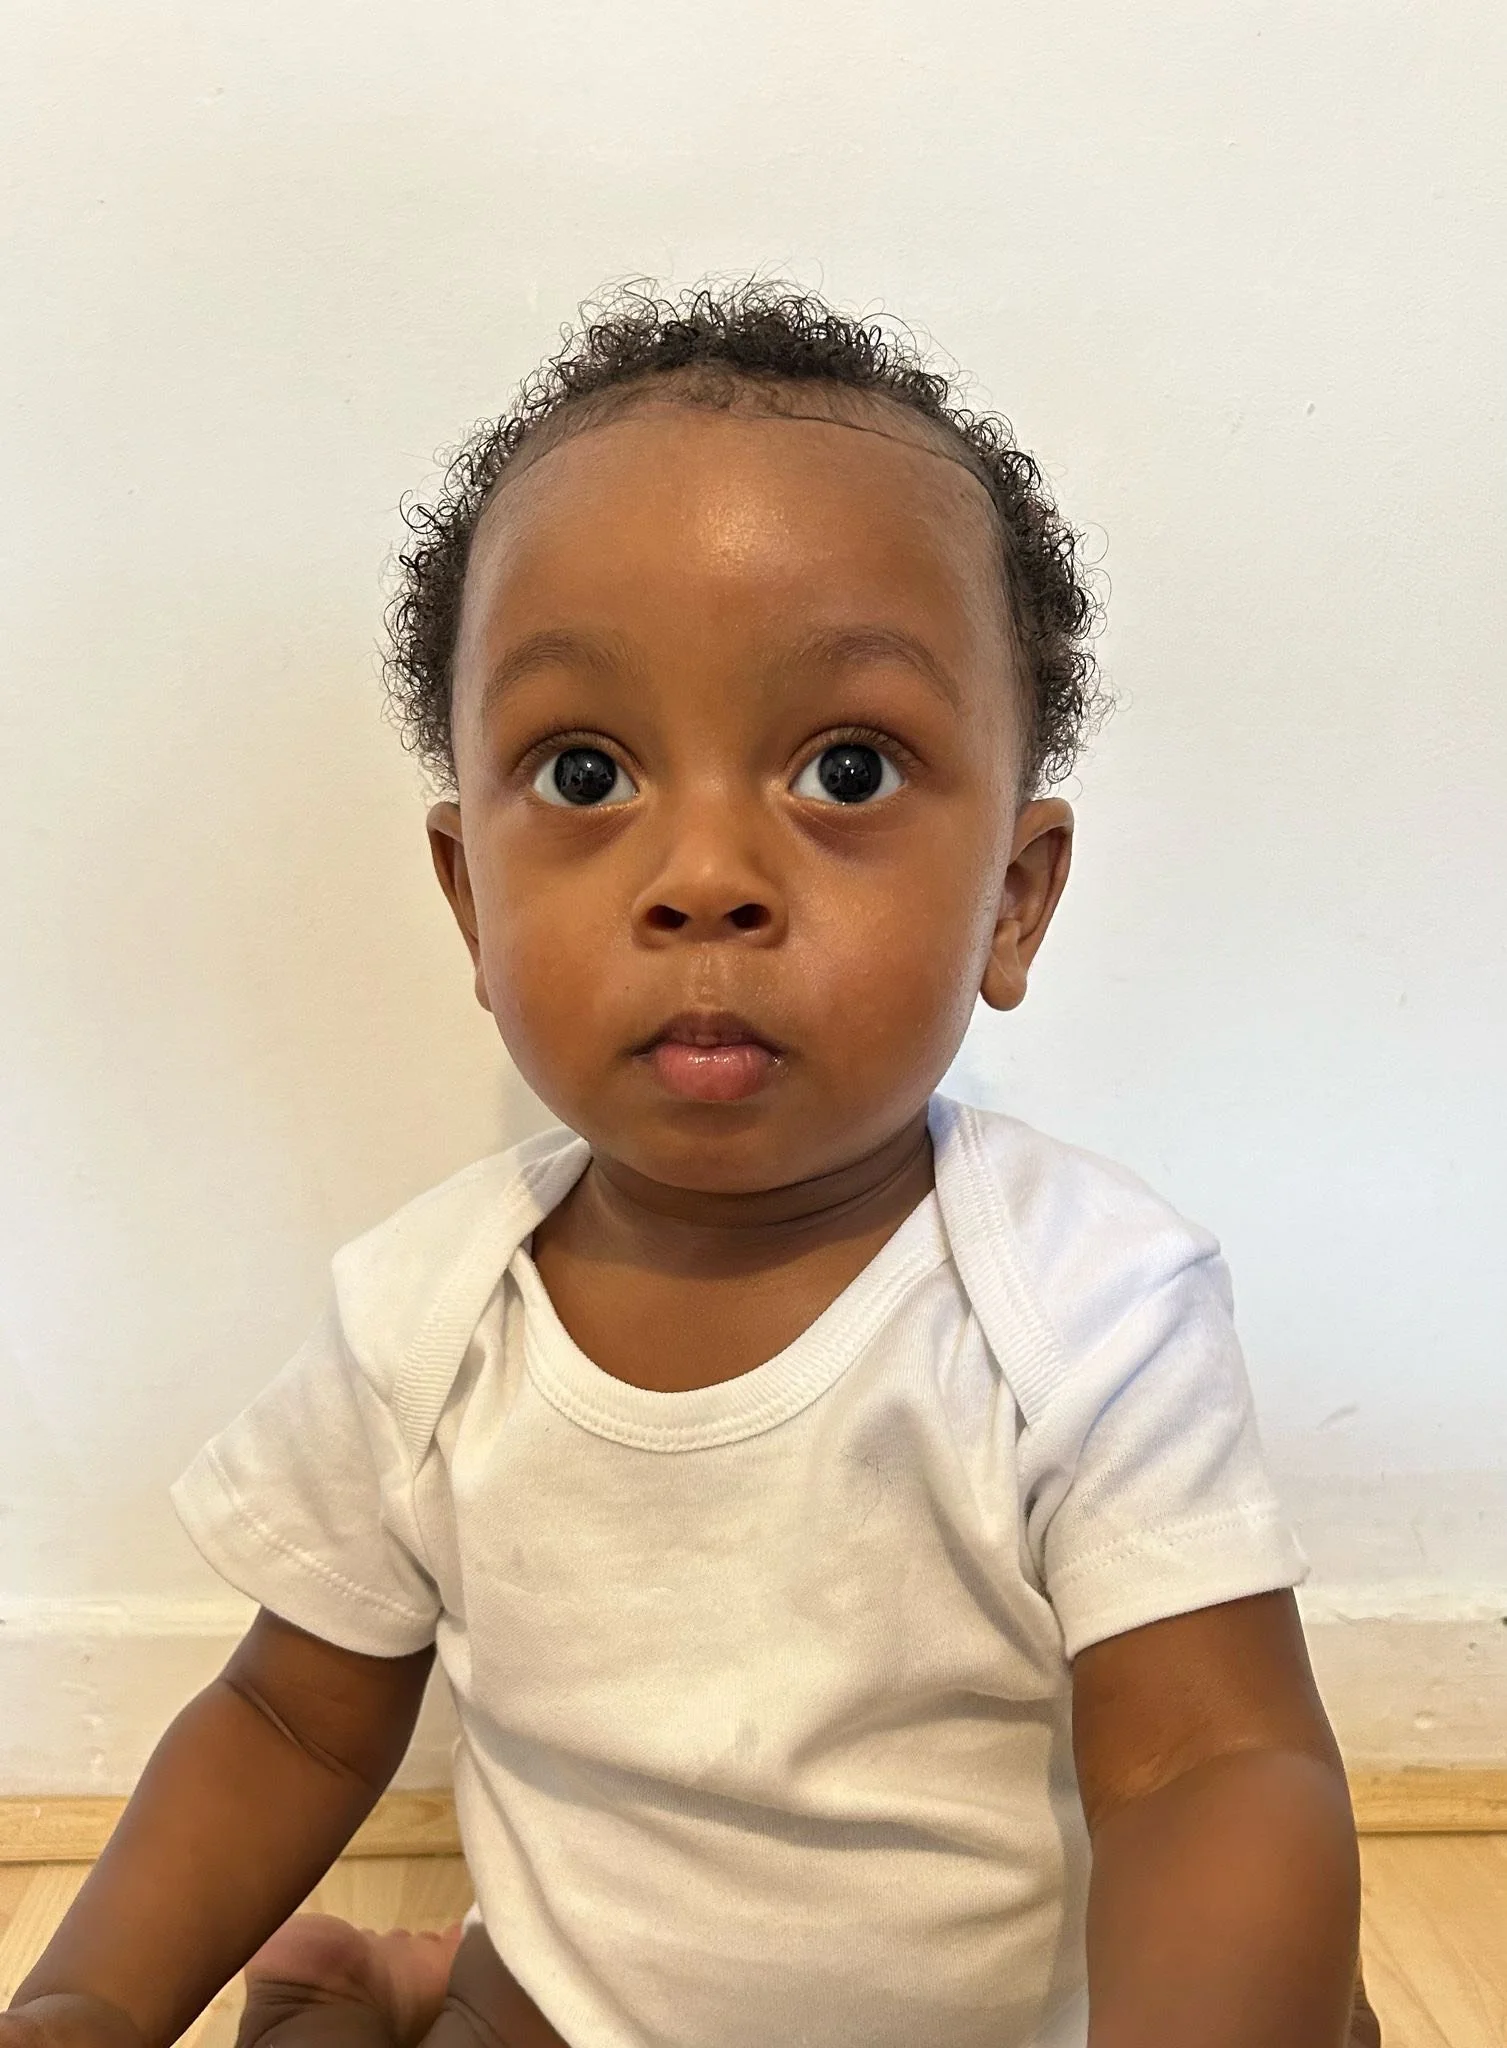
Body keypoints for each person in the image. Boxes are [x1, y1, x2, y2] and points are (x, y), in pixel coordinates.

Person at [3, 284, 1381, 2048]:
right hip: (591, 2011)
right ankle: (409, 1986)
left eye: (845, 766)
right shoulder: (427, 1324)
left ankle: (380, 1987)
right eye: (585, 772)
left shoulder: (1089, 1310)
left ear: (1012, 900)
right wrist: (86, 2001)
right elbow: (291, 1721)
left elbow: (1212, 1758)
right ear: (467, 902)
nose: (705, 875)